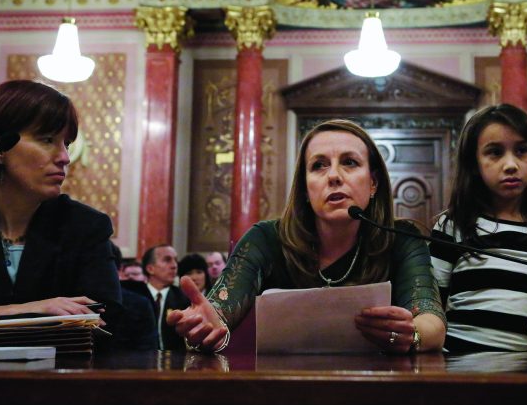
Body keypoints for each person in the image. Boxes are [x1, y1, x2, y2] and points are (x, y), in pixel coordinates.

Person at [167, 119, 446, 353]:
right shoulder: (264, 238)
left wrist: (414, 334)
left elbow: (431, 322)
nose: (334, 176)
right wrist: (206, 323)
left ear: (373, 183)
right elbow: (219, 309)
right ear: (304, 188)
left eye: (349, 162)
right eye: (319, 165)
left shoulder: (403, 238)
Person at [0, 80, 121, 325]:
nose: (65, 158)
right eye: (47, 140)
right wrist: (37, 308)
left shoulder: (86, 226)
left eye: (66, 144)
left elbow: (102, 318)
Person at [429, 104, 527, 353]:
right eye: (495, 152)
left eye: (522, 151)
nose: (511, 165)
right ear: (474, 163)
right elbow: (432, 305)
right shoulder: (455, 225)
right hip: (460, 368)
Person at [125, 244, 190, 351]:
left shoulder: (184, 298)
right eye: (167, 260)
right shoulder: (133, 299)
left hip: (175, 362)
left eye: (175, 260)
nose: (174, 265)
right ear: (150, 269)